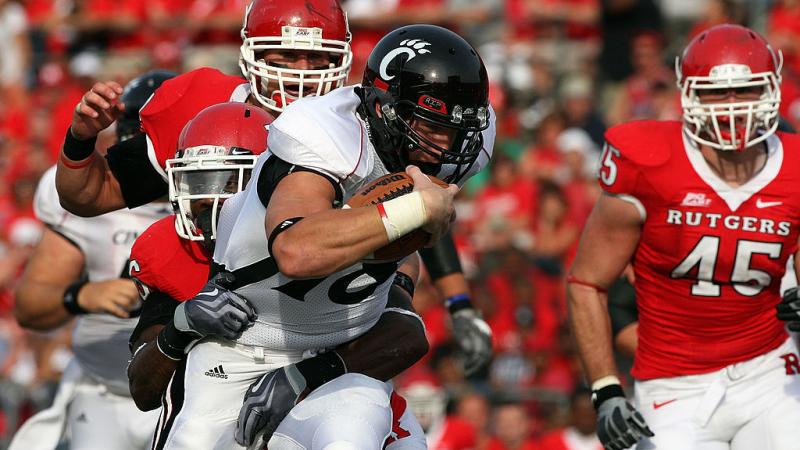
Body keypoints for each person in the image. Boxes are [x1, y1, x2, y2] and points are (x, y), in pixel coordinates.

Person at [55, 0, 493, 380]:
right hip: (214, 292)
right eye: (286, 55)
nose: (301, 73)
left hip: (321, 305)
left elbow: (417, 203)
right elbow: (89, 195)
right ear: (251, 52)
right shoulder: (201, 105)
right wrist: (80, 139)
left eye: (317, 59)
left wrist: (456, 301)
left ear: (342, 60)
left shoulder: (356, 123)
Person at [160, 24, 494, 449]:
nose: (445, 144)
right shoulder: (325, 133)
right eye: (430, 126)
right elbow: (296, 251)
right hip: (241, 349)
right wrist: (415, 210)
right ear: (385, 109)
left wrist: (427, 283)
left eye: (456, 129)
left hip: (342, 356)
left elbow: (413, 245)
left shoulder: (464, 145)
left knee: (350, 436)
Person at [125, 102, 428, 450]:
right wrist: (180, 327)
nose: (211, 199)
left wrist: (306, 375)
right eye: (200, 182)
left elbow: (406, 333)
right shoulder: (172, 251)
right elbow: (143, 389)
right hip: (225, 396)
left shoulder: (318, 239)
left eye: (231, 182)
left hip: (330, 392)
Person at [568, 24, 800, 450]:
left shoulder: (794, 167)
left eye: (745, 90)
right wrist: (605, 388)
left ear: (771, 89)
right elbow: (587, 282)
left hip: (770, 372)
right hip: (673, 385)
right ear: (690, 94)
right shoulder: (649, 162)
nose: (732, 105)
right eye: (717, 93)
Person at [9, 71, 175, 450]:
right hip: (103, 393)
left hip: (186, 395)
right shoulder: (90, 197)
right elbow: (30, 307)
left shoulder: (218, 200)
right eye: (141, 136)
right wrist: (82, 295)